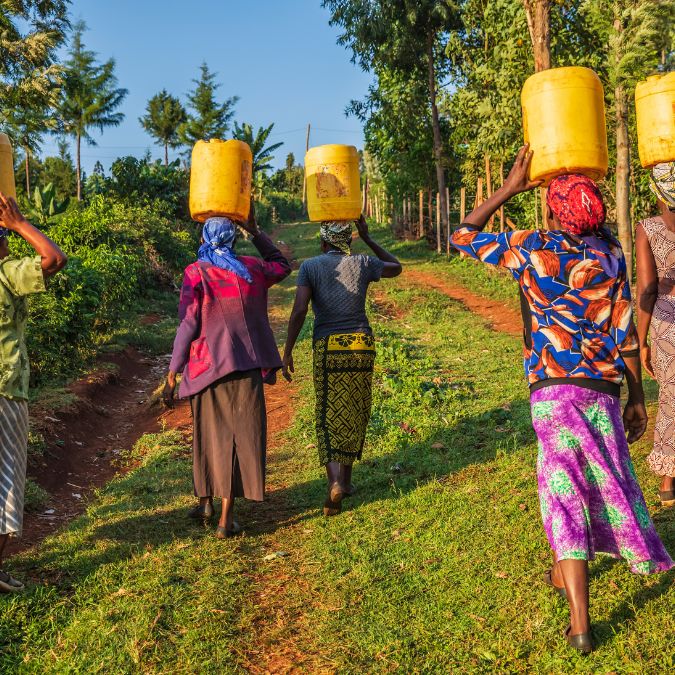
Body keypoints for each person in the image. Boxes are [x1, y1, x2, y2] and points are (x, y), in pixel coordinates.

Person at [450, 146, 673, 655]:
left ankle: (580, 622)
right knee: (600, 481)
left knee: (564, 492)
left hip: (551, 392)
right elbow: (624, 330)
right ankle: (566, 572)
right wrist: (638, 396)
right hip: (602, 389)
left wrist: (508, 189)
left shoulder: (532, 247)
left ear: (553, 209)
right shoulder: (611, 252)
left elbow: (461, 235)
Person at [163, 202, 291, 538]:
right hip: (247, 366)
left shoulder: (197, 272)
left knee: (209, 436)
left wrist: (173, 369)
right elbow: (282, 265)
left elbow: (188, 322)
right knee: (240, 438)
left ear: (205, 237)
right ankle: (223, 518)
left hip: (206, 368)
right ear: (234, 239)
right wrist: (256, 230)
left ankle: (207, 503)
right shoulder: (251, 269)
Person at [282, 216, 402, 516]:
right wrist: (370, 238)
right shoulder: (362, 262)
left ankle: (336, 481)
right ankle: (344, 482)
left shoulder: (310, 267)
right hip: (361, 344)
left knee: (328, 412)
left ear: (323, 243)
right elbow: (396, 267)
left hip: (328, 346)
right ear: (349, 241)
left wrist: (287, 350)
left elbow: (299, 311)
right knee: (354, 409)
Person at [0, 194, 67, 592]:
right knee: (7, 477)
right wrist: (20, 224)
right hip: (5, 390)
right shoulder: (6, 273)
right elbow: (54, 258)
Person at [635, 162, 675, 506]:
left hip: (666, 325)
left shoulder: (648, 228)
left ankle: (668, 482)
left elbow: (647, 289)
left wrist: (641, 339)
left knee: (671, 399)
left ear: (658, 194)